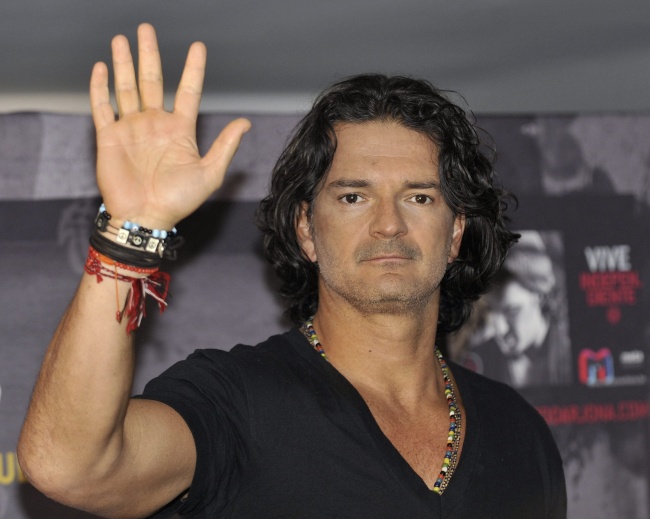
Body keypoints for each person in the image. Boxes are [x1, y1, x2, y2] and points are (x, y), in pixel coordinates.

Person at [17, 23, 566, 519]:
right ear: (306, 228)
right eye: (353, 197)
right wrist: (132, 229)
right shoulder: (238, 401)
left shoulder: (519, 430)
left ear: (456, 232)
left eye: (419, 197)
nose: (388, 225)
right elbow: (69, 467)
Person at [462, 231, 572, 387]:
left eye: (512, 311)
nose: (500, 329)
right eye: (491, 311)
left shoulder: (570, 352)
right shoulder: (479, 360)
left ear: (541, 296)